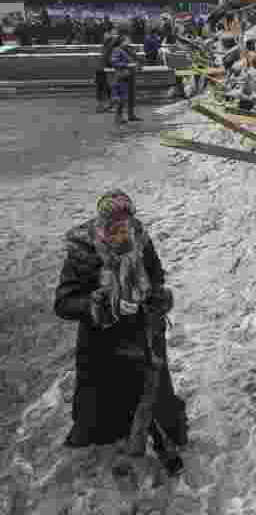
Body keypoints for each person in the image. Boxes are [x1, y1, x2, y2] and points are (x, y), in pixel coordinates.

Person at [55, 190, 186, 470]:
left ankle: (166, 448)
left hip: (143, 332)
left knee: (154, 397)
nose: (120, 234)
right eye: (113, 228)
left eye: (124, 226)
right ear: (100, 224)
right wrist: (98, 305)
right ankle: (107, 460)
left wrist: (157, 298)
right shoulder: (83, 252)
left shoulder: (139, 239)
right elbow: (64, 303)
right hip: (102, 343)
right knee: (105, 412)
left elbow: (156, 276)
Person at [95, 34, 117, 112]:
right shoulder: (109, 48)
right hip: (103, 70)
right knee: (108, 88)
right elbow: (110, 61)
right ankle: (108, 106)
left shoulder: (104, 48)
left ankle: (101, 106)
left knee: (101, 89)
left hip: (100, 69)